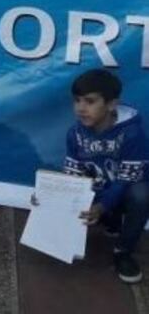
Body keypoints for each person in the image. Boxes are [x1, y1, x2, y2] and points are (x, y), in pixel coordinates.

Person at [61, 69, 148, 284]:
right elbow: (72, 174)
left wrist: (103, 205)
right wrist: (47, 198)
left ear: (111, 104)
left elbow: (126, 179)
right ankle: (110, 220)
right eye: (77, 100)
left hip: (124, 188)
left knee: (142, 194)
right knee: (64, 191)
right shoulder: (75, 133)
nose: (81, 108)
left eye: (90, 101)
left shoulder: (132, 134)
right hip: (97, 189)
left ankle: (123, 251)